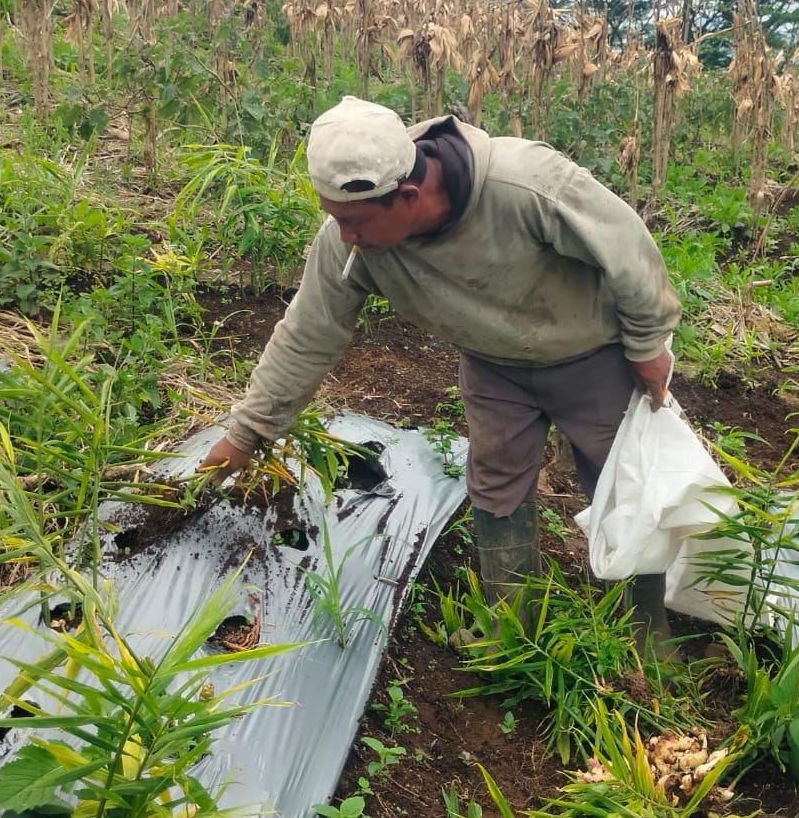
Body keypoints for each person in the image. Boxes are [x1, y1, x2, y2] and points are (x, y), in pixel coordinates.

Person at [201, 95, 683, 656]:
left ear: (407, 195)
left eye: (354, 222)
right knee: (496, 484)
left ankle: (649, 635)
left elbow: (628, 248)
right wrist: (247, 433)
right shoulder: (349, 244)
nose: (345, 236)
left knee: (623, 482)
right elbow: (309, 332)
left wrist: (647, 344)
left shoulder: (523, 185)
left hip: (591, 355)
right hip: (492, 364)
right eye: (335, 219)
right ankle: (511, 630)